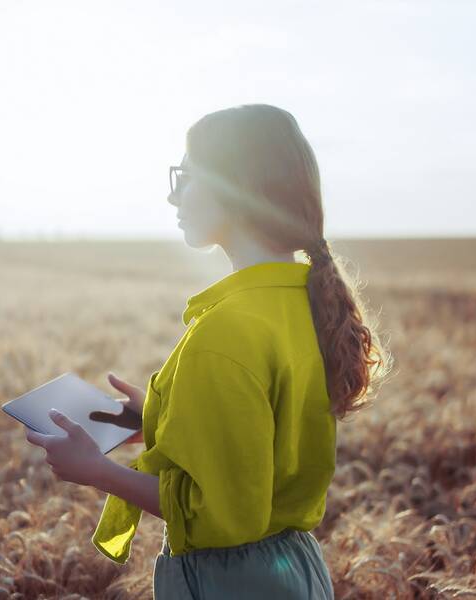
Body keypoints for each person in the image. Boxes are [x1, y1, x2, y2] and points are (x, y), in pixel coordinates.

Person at [25, 103, 393, 598]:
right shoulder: (303, 303)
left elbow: (224, 514)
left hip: (231, 583)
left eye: (187, 176)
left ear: (236, 188)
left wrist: (97, 471)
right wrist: (158, 419)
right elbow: (260, 441)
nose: (173, 196)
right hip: (296, 570)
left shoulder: (226, 332)